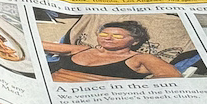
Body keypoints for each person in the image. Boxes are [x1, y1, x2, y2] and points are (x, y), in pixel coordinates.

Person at [44, 20, 182, 81]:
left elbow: (171, 77)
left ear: (135, 41)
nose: (108, 38)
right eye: (103, 34)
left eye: (117, 36)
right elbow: (43, 45)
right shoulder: (82, 49)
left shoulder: (140, 59)